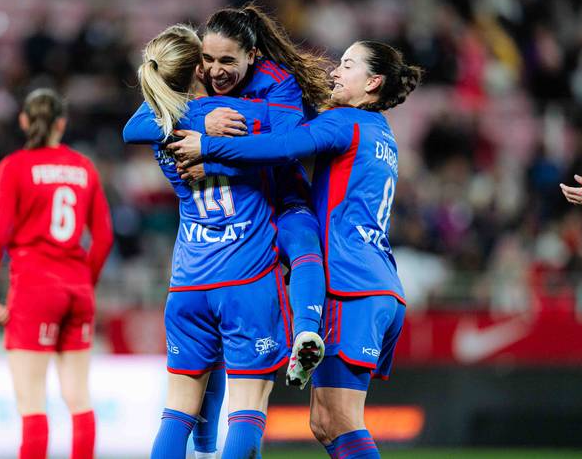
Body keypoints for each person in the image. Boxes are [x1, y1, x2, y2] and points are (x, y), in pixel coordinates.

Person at [170, 40, 422, 459]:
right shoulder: (381, 133)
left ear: (373, 82)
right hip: (380, 284)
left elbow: (283, 146)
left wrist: (207, 148)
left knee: (340, 419)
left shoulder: (346, 121)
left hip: (350, 284)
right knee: (325, 423)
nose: (335, 72)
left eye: (347, 65)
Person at [132, 23, 298, 459]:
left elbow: (136, 124)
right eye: (207, 59)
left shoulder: (162, 129)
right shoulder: (238, 117)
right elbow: (290, 134)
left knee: (176, 415)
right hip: (246, 279)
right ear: (198, 67)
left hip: (188, 283)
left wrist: (194, 119)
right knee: (246, 411)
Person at [0, 88, 114, 459]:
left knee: (33, 405)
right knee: (79, 398)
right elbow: (103, 236)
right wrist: (87, 282)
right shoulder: (84, 167)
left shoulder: (14, 166)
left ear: (24, 121)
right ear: (62, 123)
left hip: (34, 288)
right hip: (77, 289)